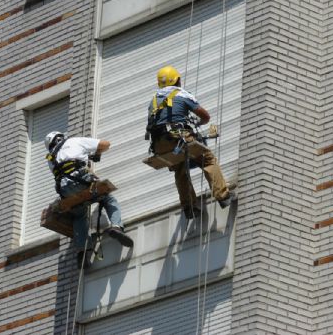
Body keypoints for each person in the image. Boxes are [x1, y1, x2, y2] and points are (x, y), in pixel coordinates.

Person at [146, 65, 234, 219]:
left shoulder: (153, 101)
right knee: (207, 160)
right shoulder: (181, 94)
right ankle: (223, 196)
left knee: (180, 168)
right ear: (177, 80)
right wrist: (199, 123)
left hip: (159, 144)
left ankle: (189, 207)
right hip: (178, 137)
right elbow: (205, 116)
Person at [44, 131, 133, 269]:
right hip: (81, 180)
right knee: (108, 199)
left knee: (79, 215)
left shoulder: (51, 158)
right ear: (61, 137)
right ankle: (116, 227)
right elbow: (106, 144)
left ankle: (82, 253)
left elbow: (66, 169)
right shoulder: (74, 141)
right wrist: (97, 152)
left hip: (65, 191)